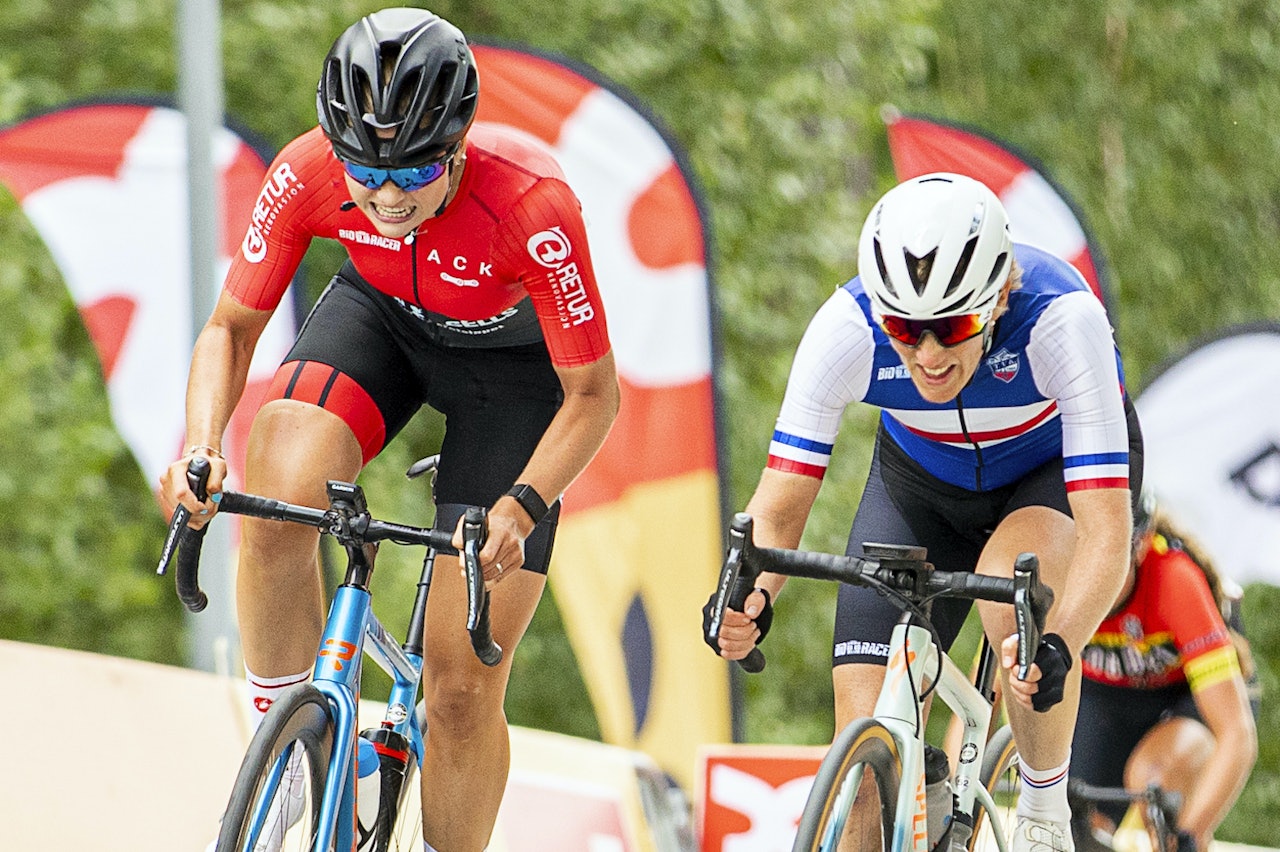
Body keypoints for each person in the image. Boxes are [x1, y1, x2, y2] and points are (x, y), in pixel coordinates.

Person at [158, 8, 619, 852]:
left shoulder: (531, 204)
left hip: (513, 377)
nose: (386, 196)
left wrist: (521, 506)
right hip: (384, 321)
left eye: (414, 171)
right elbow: (229, 329)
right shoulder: (307, 171)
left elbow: (593, 394)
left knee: (460, 689)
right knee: (277, 490)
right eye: (365, 170)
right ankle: (295, 758)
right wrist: (200, 446)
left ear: (459, 147)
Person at [708, 172, 1144, 852]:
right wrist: (744, 594)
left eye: (954, 326)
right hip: (920, 485)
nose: (929, 354)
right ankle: (913, 792)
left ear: (999, 299)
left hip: (1049, 474)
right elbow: (781, 502)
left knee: (1015, 609)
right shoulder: (846, 329)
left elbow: (1107, 537)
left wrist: (1061, 642)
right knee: (861, 772)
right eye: (906, 331)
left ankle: (1042, 810)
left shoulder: (1062, 323)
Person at [1070, 492, 1258, 852]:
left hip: (1191, 698)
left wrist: (1188, 837)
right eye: (1082, 557)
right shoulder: (1053, 573)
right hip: (1107, 698)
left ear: (1139, 546)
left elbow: (1236, 733)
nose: (1094, 578)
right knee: (1076, 826)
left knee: (1155, 783)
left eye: (1109, 559)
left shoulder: (1174, 578)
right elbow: (987, 697)